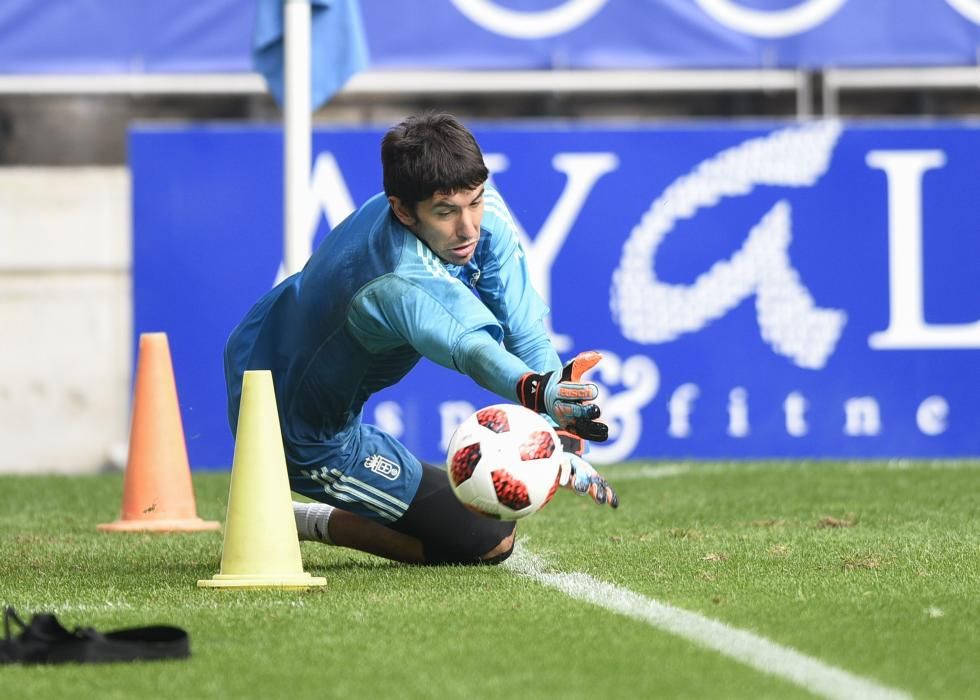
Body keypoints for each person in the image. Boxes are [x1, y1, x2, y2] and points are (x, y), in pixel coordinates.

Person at [224, 112, 618, 566]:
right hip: (295, 425)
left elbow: (524, 331)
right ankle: (294, 518)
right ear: (403, 210)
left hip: (264, 338)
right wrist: (538, 392)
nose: (468, 227)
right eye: (446, 212)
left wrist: (554, 426)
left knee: (472, 524)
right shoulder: (397, 279)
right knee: (487, 539)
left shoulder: (474, 211)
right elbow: (475, 349)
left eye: (475, 201)